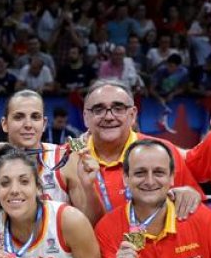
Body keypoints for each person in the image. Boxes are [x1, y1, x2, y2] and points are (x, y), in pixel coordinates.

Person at [78, 80, 202, 217]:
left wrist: (190, 195)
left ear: (132, 115)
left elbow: (197, 211)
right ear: (86, 117)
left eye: (118, 108)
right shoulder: (66, 159)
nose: (108, 117)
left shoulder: (163, 151)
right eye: (98, 110)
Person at [0, 90, 100, 218]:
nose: (28, 125)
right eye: (19, 117)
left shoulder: (64, 159)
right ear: (4, 124)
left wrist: (89, 188)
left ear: (44, 124)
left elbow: (88, 222)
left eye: (35, 117)